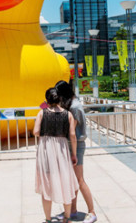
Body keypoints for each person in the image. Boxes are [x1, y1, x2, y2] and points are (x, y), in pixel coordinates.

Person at [34, 87, 79, 223]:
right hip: (62, 149)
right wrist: (74, 154)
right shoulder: (68, 114)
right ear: (59, 98)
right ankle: (67, 217)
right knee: (65, 180)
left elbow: (36, 131)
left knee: (46, 184)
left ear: (47, 99)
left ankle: (48, 219)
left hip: (46, 150)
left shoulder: (42, 113)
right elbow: (72, 135)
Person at [55, 80, 97, 223]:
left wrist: (73, 153)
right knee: (71, 180)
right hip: (69, 144)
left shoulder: (75, 107)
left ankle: (92, 211)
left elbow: (72, 132)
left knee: (79, 180)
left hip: (76, 145)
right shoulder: (70, 105)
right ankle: (71, 211)